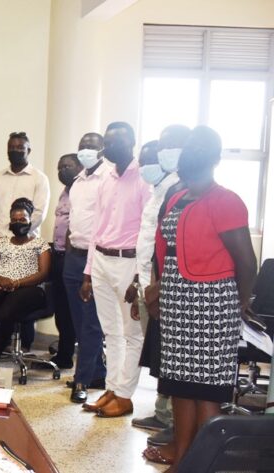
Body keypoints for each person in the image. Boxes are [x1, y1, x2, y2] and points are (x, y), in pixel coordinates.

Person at [142, 126, 257, 469]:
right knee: (179, 383)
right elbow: (166, 252)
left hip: (213, 303)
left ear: (216, 158)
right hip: (177, 301)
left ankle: (205, 462)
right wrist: (159, 288)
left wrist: (238, 303)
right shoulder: (177, 197)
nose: (194, 151)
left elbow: (246, 261)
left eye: (201, 147)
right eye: (191, 144)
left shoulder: (226, 200)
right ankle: (185, 452)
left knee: (206, 388)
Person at [80, 122, 152, 418]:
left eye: (114, 142)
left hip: (129, 263)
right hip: (101, 261)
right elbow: (97, 226)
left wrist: (139, 276)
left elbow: (149, 231)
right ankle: (111, 389)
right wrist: (88, 271)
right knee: (110, 332)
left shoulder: (143, 178)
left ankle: (124, 395)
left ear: (132, 142)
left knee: (132, 332)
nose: (107, 148)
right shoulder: (106, 178)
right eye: (105, 143)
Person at [128, 125, 191, 448]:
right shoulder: (158, 188)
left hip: (168, 285)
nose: (164, 153)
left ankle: (172, 420)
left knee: (170, 355)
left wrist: (157, 286)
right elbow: (148, 241)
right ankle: (162, 412)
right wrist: (139, 280)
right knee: (159, 353)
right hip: (149, 279)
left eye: (170, 146)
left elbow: (172, 245)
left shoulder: (179, 188)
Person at [0, 198, 50, 366]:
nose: (18, 223)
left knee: (4, 313)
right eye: (14, 220)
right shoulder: (2, 243)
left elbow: (43, 273)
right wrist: (1, 279)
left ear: (30, 221)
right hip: (2, 284)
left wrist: (17, 283)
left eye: (22, 219)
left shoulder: (40, 243)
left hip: (30, 288)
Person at [65, 132, 109, 403]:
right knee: (79, 321)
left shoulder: (106, 180)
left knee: (92, 323)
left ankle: (81, 379)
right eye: (82, 146)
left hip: (94, 258)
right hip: (73, 255)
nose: (86, 151)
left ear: (102, 150)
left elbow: (102, 225)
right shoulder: (78, 181)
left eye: (92, 146)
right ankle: (96, 373)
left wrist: (89, 270)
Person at [0, 132, 50, 244]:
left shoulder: (40, 178)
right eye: (11, 147)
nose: (15, 151)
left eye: (20, 147)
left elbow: (39, 213)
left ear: (28, 151)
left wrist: (20, 235)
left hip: (26, 243)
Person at [50, 153, 82, 369]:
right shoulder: (65, 191)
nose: (62, 171)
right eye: (60, 167)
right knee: (61, 308)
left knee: (73, 310)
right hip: (58, 254)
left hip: (74, 256)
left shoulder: (82, 190)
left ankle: (71, 355)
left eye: (67, 166)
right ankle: (64, 353)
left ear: (79, 167)